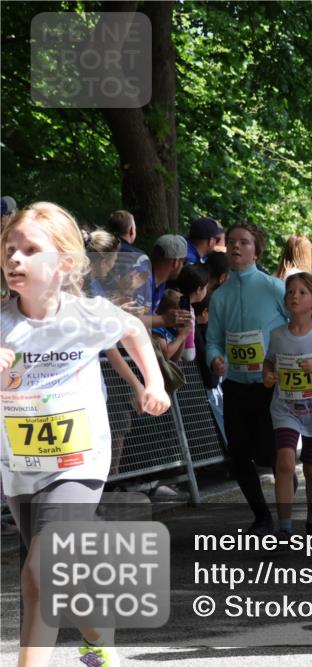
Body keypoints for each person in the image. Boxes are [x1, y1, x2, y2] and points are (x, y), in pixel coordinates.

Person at [1, 201, 170, 667]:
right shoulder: (2, 324)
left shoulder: (86, 315)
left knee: (39, 574)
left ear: (64, 265)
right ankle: (99, 641)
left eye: (30, 250)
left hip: (79, 463)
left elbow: (133, 330)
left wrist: (153, 383)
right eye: (10, 249)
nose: (15, 258)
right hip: (21, 469)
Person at [206, 221, 289, 534]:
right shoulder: (219, 296)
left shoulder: (274, 288)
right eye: (231, 242)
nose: (236, 247)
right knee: (238, 453)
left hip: (269, 384)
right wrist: (215, 358)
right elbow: (214, 339)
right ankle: (262, 516)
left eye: (244, 242)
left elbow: (297, 324)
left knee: (268, 453)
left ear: (256, 251)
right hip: (236, 385)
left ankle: (285, 496)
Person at [262, 272, 312, 537]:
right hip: (285, 408)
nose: (294, 296)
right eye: (290, 292)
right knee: (285, 462)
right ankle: (284, 527)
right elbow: (269, 361)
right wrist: (268, 374)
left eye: (301, 292)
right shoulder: (277, 335)